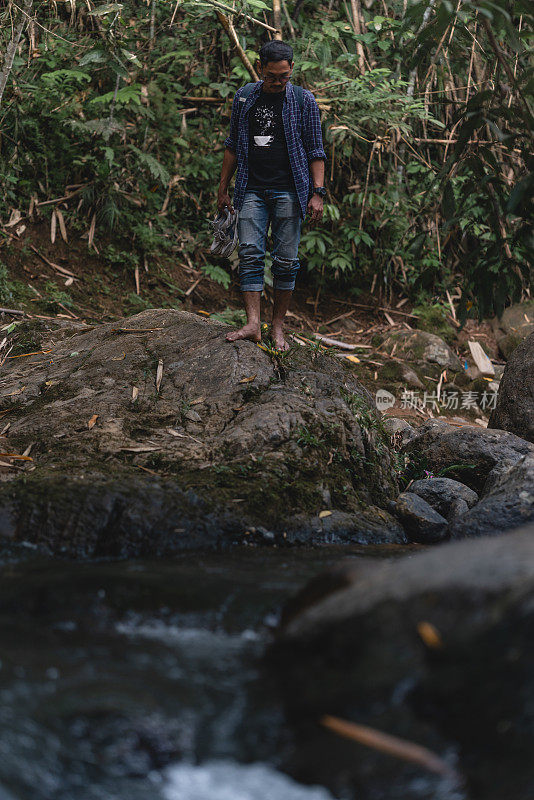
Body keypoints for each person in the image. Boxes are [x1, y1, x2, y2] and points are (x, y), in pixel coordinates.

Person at [218, 40, 327, 350]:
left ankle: (277, 325)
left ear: (291, 68)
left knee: (286, 260)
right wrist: (223, 188)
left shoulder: (303, 100)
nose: (278, 82)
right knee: (250, 253)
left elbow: (315, 151)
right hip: (250, 187)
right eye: (271, 76)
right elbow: (233, 145)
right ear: (260, 69)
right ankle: (253, 323)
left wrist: (317, 194)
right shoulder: (245, 97)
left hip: (290, 190)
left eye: (284, 75)